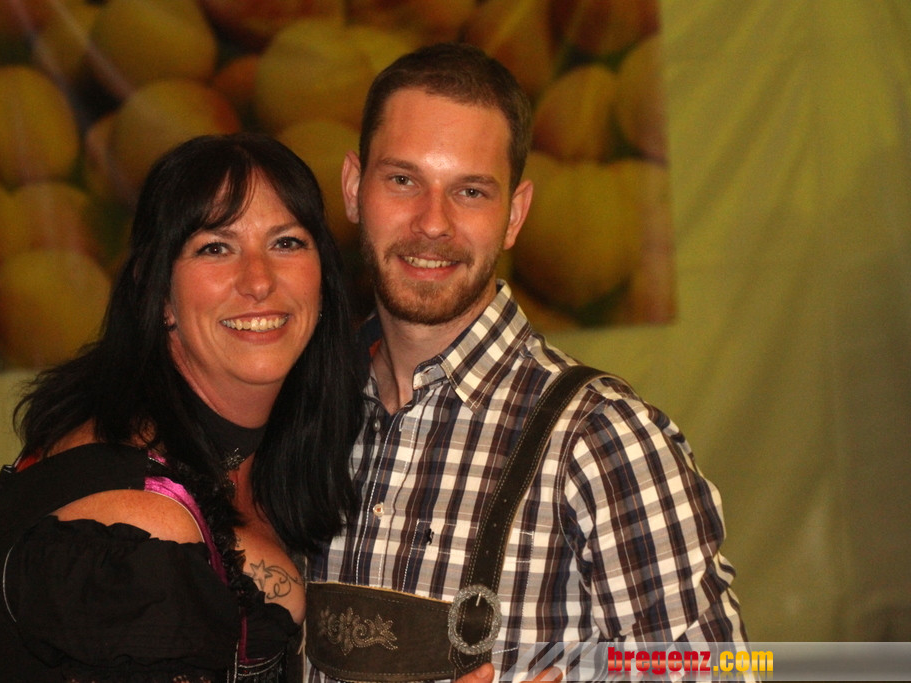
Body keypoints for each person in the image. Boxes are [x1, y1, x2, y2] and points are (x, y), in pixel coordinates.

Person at [306, 42, 748, 682]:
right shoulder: (309, 416)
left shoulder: (602, 438)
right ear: (354, 188)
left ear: (514, 216)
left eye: (471, 191)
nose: (433, 223)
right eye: (403, 180)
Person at [0, 132, 364, 682]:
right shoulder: (138, 520)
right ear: (158, 295)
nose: (258, 280)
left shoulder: (263, 452)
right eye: (215, 248)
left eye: (287, 242)